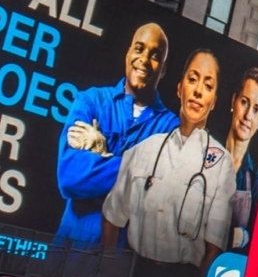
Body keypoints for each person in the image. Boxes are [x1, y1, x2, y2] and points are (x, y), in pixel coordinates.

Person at [100, 50, 236, 267]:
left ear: (214, 102)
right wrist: (108, 271)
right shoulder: (144, 150)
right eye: (192, 80)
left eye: (208, 86)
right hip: (133, 272)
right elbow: (112, 214)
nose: (199, 91)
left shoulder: (221, 163)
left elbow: (215, 246)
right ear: (180, 89)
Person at [56, 23, 179, 248]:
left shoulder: (171, 127)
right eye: (139, 49)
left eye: (155, 55)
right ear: (128, 53)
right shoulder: (91, 101)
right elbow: (70, 177)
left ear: (163, 69)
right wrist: (140, 172)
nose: (143, 59)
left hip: (121, 263)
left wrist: (104, 153)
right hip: (68, 254)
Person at [223, 67, 258, 250]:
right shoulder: (205, 152)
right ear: (233, 101)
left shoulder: (257, 177)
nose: (248, 116)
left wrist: (242, 237)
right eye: (244, 102)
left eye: (256, 110)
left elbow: (257, 235)